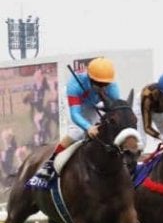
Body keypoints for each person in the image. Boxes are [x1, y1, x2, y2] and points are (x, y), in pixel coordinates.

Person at [26, 57, 123, 188]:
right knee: (77, 132)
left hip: (94, 103)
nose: (102, 87)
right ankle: (50, 165)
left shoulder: (112, 86)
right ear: (90, 78)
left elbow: (117, 110)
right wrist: (88, 127)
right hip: (78, 104)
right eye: (98, 84)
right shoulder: (75, 85)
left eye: (105, 84)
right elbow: (75, 114)